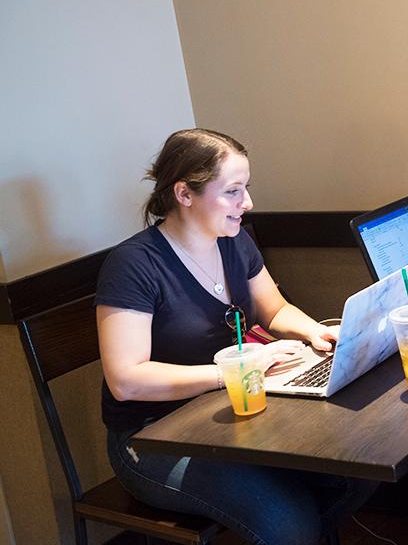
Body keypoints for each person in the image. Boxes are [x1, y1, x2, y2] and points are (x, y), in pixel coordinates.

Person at [96, 128, 375, 545]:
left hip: (230, 418)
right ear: (184, 194)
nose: (247, 203)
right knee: (288, 523)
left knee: (356, 467)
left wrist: (317, 332)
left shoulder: (233, 241)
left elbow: (275, 309)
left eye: (245, 189)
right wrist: (235, 370)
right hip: (152, 439)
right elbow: (126, 380)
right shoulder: (134, 265)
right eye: (232, 191)